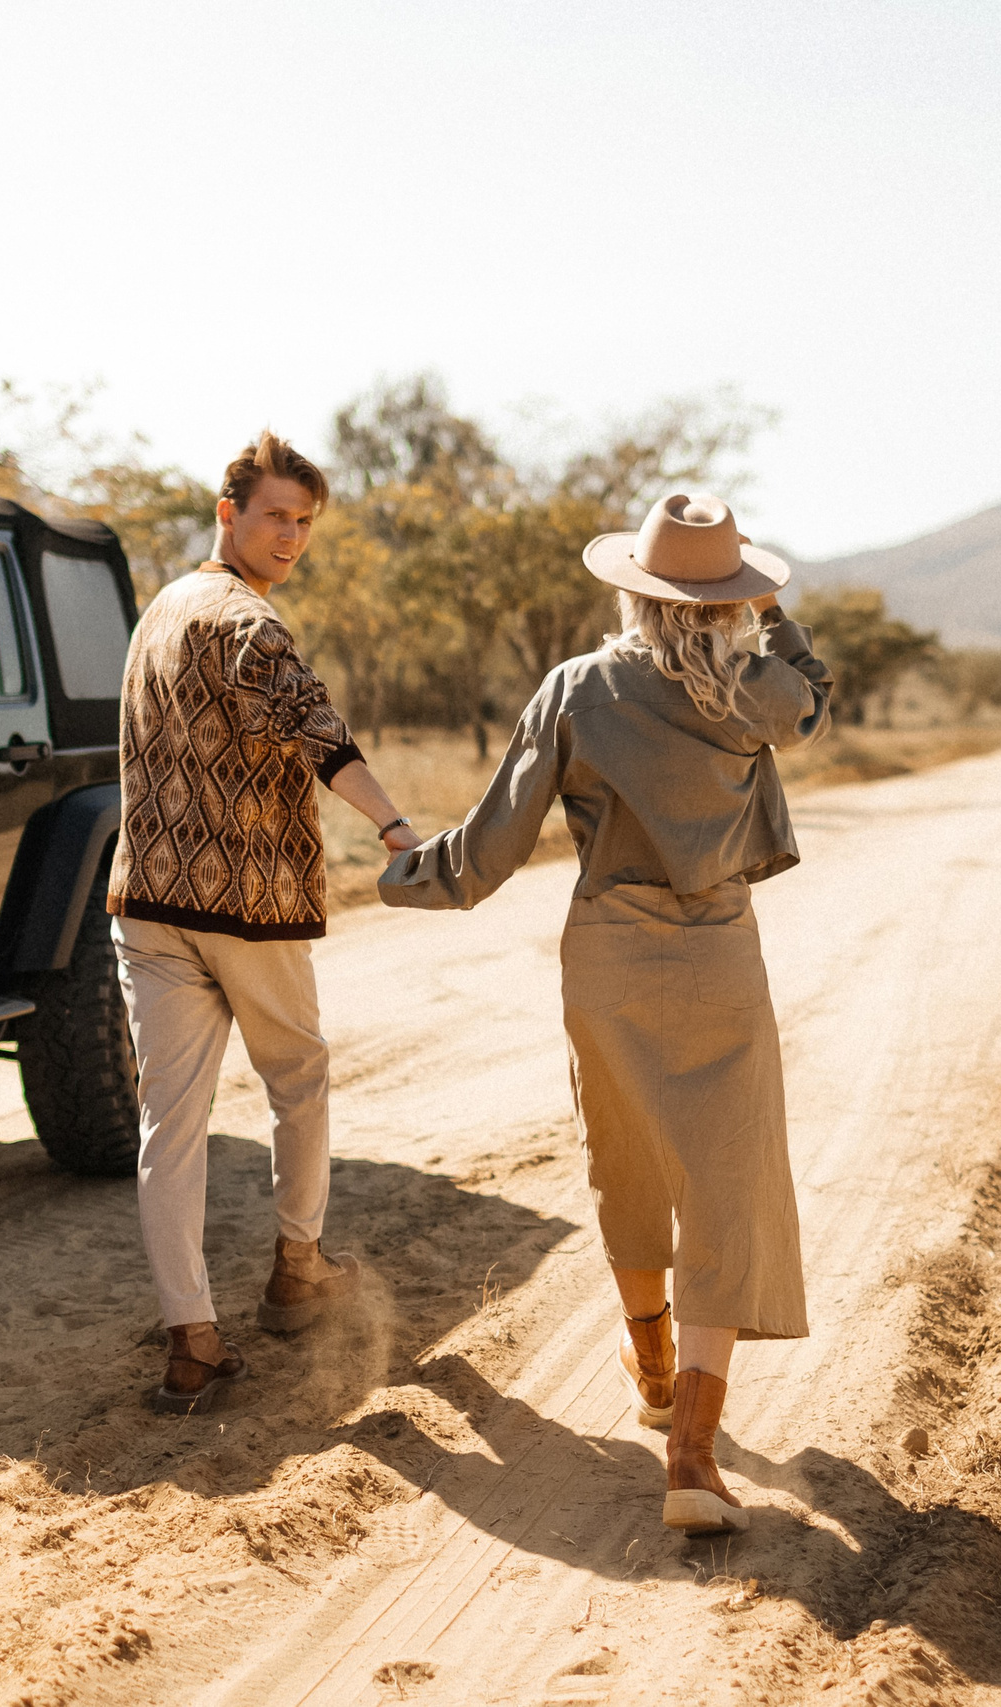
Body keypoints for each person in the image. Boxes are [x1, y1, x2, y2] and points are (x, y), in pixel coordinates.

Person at [378, 491, 831, 1533]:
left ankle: (653, 1365)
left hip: (608, 958)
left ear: (633, 593)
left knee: (622, 1161)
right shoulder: (756, 689)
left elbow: (488, 848)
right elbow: (810, 697)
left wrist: (402, 872)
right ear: (732, 603)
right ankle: (692, 1458)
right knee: (726, 1184)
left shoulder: (576, 687)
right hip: (719, 957)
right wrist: (772, 616)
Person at [107, 429, 420, 1414]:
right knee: (299, 1077)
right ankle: (298, 1268)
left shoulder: (159, 611)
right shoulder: (249, 623)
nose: (291, 536)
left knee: (169, 1125)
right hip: (247, 903)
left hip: (146, 901)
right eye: (276, 515)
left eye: (304, 521)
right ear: (227, 513)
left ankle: (191, 1339)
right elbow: (322, 739)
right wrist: (396, 828)